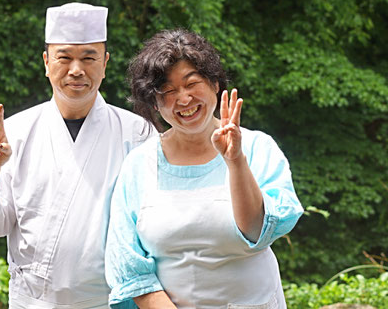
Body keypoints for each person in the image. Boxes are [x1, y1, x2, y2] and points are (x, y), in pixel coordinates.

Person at [0, 2, 154, 309]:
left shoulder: (138, 133)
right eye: (65, 58)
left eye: (89, 58)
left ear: (105, 63)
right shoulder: (13, 134)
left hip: (110, 302)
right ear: (47, 62)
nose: (77, 70)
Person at [104, 29, 303, 309]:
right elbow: (129, 266)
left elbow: (258, 231)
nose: (183, 99)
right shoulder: (139, 164)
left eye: (191, 83)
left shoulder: (257, 147)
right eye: (168, 91)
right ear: (154, 103)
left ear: (213, 83)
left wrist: (235, 161)